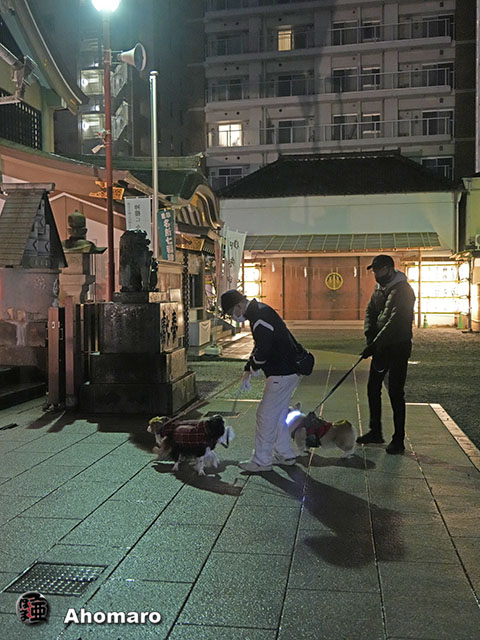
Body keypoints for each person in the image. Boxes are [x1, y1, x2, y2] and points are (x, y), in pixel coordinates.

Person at [220, 289, 300, 472]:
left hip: (281, 373)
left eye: (232, 312)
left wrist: (253, 367)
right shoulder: (260, 312)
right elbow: (260, 346)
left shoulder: (259, 318)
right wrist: (249, 366)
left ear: (239, 305)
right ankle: (285, 453)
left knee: (265, 415)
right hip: (288, 371)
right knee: (278, 414)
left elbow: (263, 350)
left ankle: (261, 461)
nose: (233, 317)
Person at [357, 255, 415, 454]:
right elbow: (370, 312)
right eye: (374, 270)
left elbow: (397, 321)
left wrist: (375, 344)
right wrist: (369, 336)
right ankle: (375, 431)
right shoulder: (379, 289)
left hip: (398, 347)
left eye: (379, 270)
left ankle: (398, 440)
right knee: (373, 388)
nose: (376, 274)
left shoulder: (404, 290)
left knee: (396, 392)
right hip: (381, 347)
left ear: (390, 269)